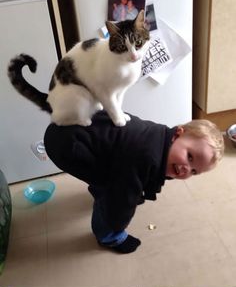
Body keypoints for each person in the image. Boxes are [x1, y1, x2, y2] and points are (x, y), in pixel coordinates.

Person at [10, 44, 224, 257]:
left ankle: (101, 186)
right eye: (189, 156)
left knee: (116, 171)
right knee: (111, 190)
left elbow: (144, 170)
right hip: (66, 145)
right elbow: (122, 201)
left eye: (194, 171)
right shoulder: (145, 156)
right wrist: (117, 222)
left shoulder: (160, 138)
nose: (186, 168)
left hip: (83, 130)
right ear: (177, 134)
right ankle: (108, 236)